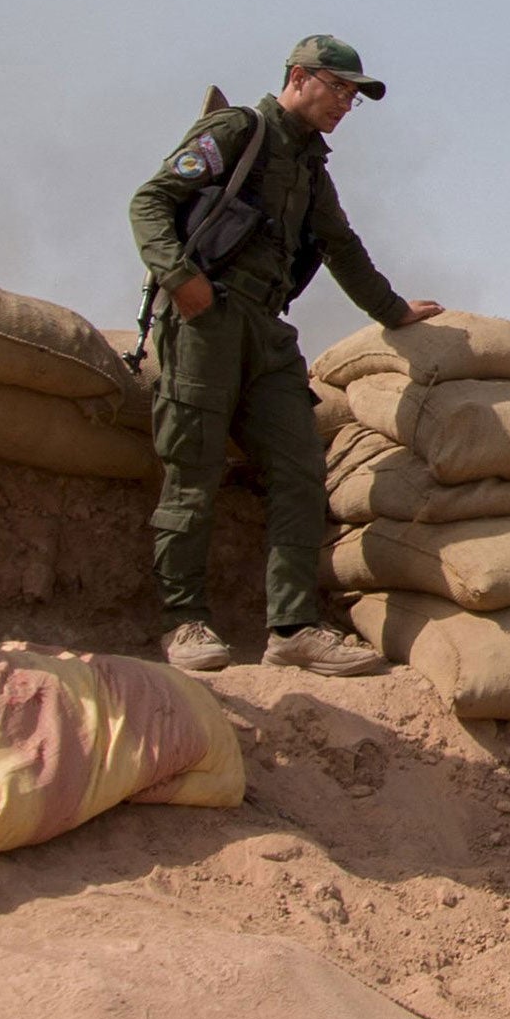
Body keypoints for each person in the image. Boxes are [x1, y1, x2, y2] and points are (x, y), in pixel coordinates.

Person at [128, 35, 442, 675]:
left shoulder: (311, 167)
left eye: (355, 95)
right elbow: (150, 201)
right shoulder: (239, 130)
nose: (346, 104)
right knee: (193, 468)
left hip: (267, 332)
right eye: (339, 88)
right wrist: (181, 279)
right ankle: (182, 621)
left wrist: (395, 312)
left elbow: (340, 247)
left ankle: (293, 628)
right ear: (299, 77)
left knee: (300, 470)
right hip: (205, 320)